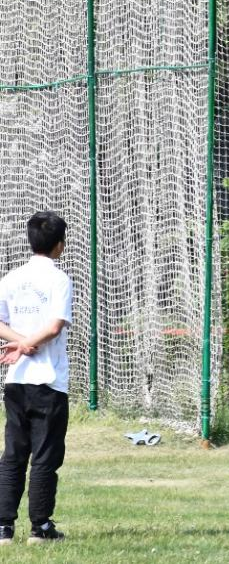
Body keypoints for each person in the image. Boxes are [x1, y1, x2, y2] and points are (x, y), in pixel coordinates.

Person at [0, 212, 72, 545]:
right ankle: (40, 527)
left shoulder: (11, 278)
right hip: (48, 380)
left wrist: (20, 343)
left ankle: (3, 527)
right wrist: (28, 343)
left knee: (13, 453)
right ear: (59, 245)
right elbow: (55, 326)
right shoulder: (59, 279)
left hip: (16, 379)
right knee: (45, 455)